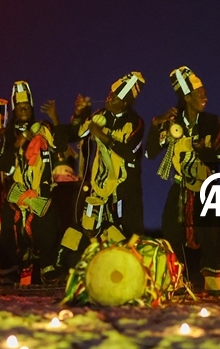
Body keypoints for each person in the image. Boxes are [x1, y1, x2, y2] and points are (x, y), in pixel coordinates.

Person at [146, 66, 220, 296]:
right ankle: (179, 281)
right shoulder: (172, 123)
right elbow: (151, 153)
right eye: (199, 93)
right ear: (187, 97)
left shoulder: (212, 121)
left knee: (210, 232)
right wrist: (155, 124)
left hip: (206, 185)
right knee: (171, 228)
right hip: (180, 185)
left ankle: (213, 284)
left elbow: (219, 154)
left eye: (205, 93)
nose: (205, 97)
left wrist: (202, 150)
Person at [50, 72, 147, 256]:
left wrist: (102, 135)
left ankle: (136, 276)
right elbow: (75, 134)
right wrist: (78, 115)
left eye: (116, 97)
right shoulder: (100, 115)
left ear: (125, 103)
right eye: (110, 94)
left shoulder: (136, 123)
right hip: (99, 188)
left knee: (128, 237)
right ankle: (67, 266)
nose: (109, 99)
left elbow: (129, 154)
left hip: (125, 189)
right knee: (88, 227)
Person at [0, 81, 61, 285]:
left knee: (46, 231)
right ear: (15, 110)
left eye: (27, 107)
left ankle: (47, 268)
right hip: (18, 194)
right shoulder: (8, 135)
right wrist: (19, 142)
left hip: (40, 191)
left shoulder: (44, 128)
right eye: (20, 108)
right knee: (11, 232)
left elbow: (62, 144)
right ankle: (20, 267)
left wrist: (54, 117)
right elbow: (3, 164)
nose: (23, 111)